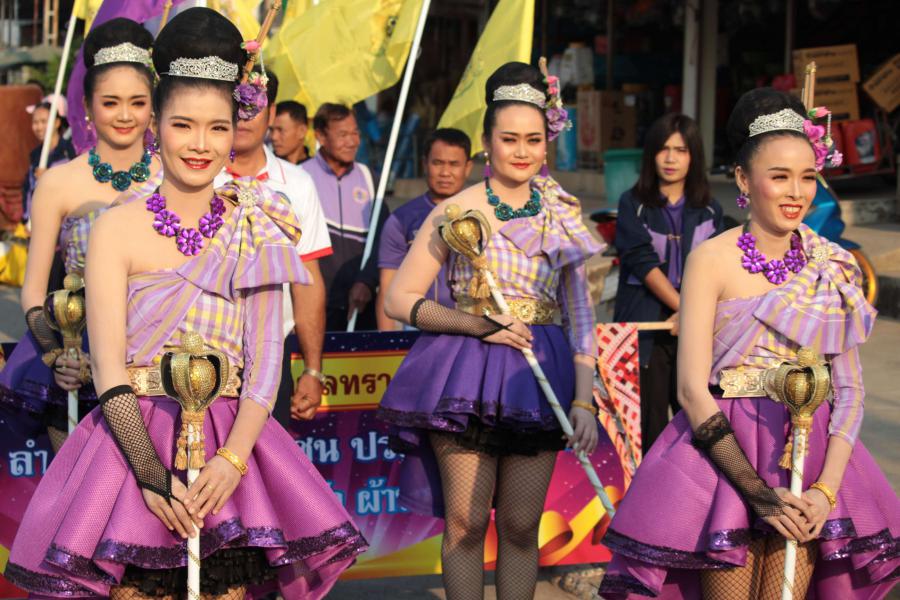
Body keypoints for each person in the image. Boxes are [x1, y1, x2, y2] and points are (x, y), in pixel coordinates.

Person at [5, 9, 367, 598]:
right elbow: (109, 368)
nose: (201, 144)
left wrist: (232, 461)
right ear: (157, 127)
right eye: (183, 125)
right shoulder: (115, 228)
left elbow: (264, 363)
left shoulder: (257, 222)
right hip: (130, 449)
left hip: (231, 450)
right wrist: (151, 478)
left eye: (218, 128)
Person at [598, 89, 899, 599]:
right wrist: (757, 493)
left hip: (808, 458)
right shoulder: (711, 260)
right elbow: (691, 389)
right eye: (779, 176)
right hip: (723, 460)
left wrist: (824, 493)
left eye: (808, 176)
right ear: (742, 179)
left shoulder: (833, 265)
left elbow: (848, 390)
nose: (796, 192)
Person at [377, 62, 602, 599]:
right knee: (467, 524)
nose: (522, 151)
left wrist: (584, 399)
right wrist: (479, 326)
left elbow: (580, 314)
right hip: (467, 374)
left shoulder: (561, 213)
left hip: (538, 376)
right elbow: (399, 299)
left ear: (547, 143)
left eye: (533, 140)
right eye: (509, 139)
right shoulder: (457, 211)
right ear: (486, 143)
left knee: (522, 527)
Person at [0, 18, 160, 453]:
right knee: (79, 488)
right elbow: (34, 291)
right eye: (111, 102)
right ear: (88, 106)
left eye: (137, 102)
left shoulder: (175, 178)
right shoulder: (58, 182)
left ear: (153, 107)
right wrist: (58, 356)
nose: (125, 115)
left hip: (156, 358)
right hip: (79, 358)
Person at [215, 70, 331, 426]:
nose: (244, 116)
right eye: (235, 104)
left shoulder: (297, 184)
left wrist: (312, 369)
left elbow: (307, 279)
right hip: (199, 350)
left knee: (265, 457)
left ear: (272, 111)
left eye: (253, 105)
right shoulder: (194, 176)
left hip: (270, 356)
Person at [613, 113, 723, 454]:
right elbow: (642, 262)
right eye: (663, 149)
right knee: (648, 427)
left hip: (694, 327)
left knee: (699, 423)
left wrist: (691, 316)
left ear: (694, 156)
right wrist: (686, 310)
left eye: (681, 150)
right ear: (651, 154)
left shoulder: (710, 210)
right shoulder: (632, 203)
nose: (671, 158)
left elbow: (715, 271)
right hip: (646, 325)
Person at [301, 102, 388, 331]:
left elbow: (383, 239)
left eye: (355, 133)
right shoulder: (300, 178)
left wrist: (366, 281)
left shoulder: (370, 179)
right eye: (343, 135)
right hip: (315, 308)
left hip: (361, 307)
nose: (352, 141)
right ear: (321, 136)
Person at [376, 128, 472, 330]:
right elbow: (387, 288)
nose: (445, 172)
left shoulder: (483, 215)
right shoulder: (401, 220)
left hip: (473, 325)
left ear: (468, 167)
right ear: (424, 164)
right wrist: (388, 341)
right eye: (437, 163)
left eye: (454, 164)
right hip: (417, 327)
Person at [22, 94, 77, 222]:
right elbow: (28, 190)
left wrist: (49, 179)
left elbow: (74, 186)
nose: (39, 127)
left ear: (57, 122)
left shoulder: (69, 151)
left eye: (43, 121)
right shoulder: (35, 155)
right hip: (38, 222)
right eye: (35, 122)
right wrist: (26, 218)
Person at [270, 100, 310, 164]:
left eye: (280, 130)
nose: (274, 137)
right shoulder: (263, 167)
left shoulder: (317, 169)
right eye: (271, 130)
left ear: (302, 131)